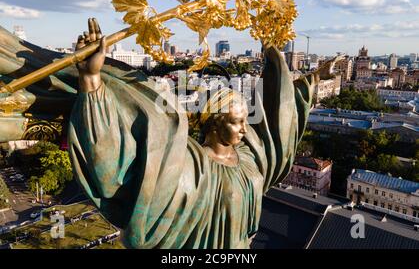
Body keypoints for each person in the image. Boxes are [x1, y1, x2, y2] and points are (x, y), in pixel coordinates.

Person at [67, 17, 341, 249]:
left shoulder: (250, 158)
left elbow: (278, 124)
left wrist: (313, 78)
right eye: (236, 122)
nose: (245, 129)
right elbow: (118, 157)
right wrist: (91, 80)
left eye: (246, 121)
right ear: (213, 123)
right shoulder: (184, 163)